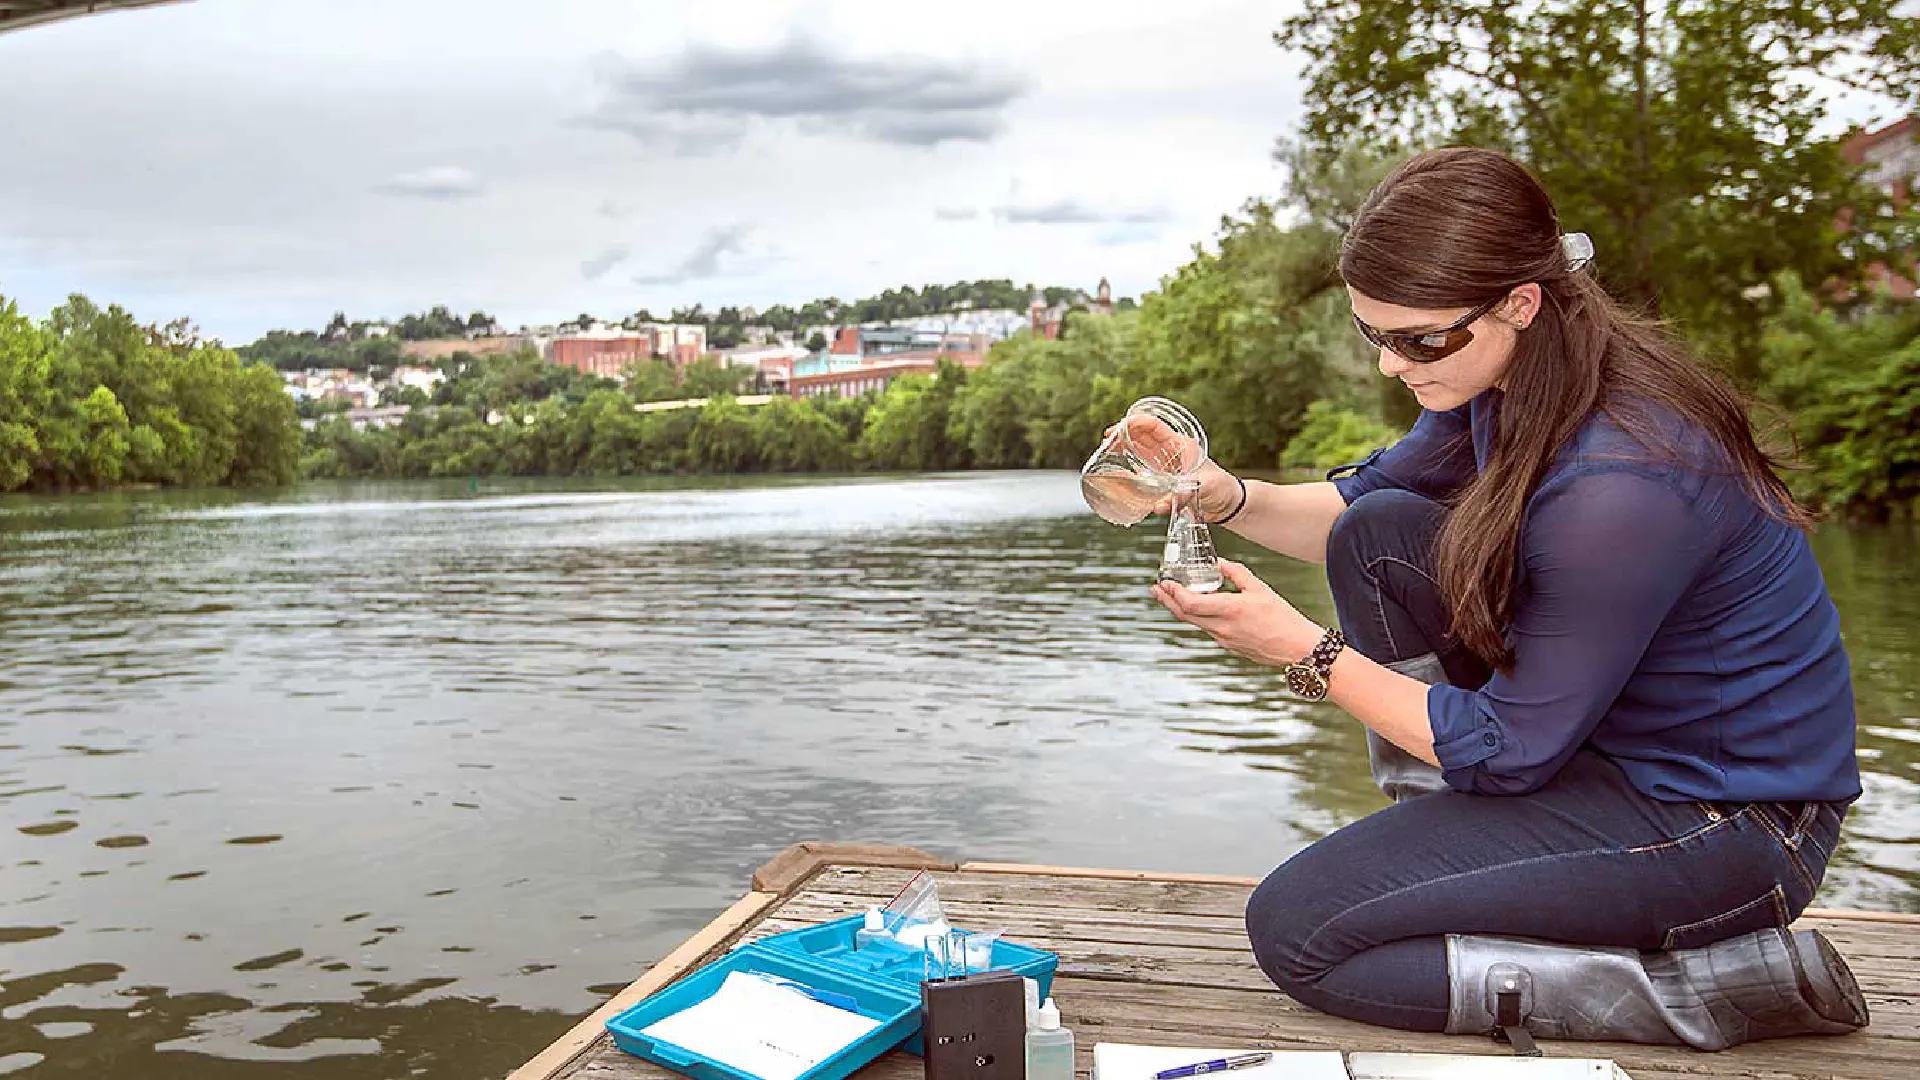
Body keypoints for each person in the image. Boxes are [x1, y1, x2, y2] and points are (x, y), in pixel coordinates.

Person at [1141, 147, 1867, 1051]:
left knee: (1301, 933)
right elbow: (1344, 516)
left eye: (1421, 339)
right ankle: (1460, 854)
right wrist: (1220, 494)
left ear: (1521, 302)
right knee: (1379, 538)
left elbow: (1514, 747)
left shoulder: (1624, 479)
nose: (1393, 366)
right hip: (1594, 749)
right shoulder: (1504, 376)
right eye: (1377, 336)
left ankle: (1713, 988)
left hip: (1728, 827)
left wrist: (1305, 653)